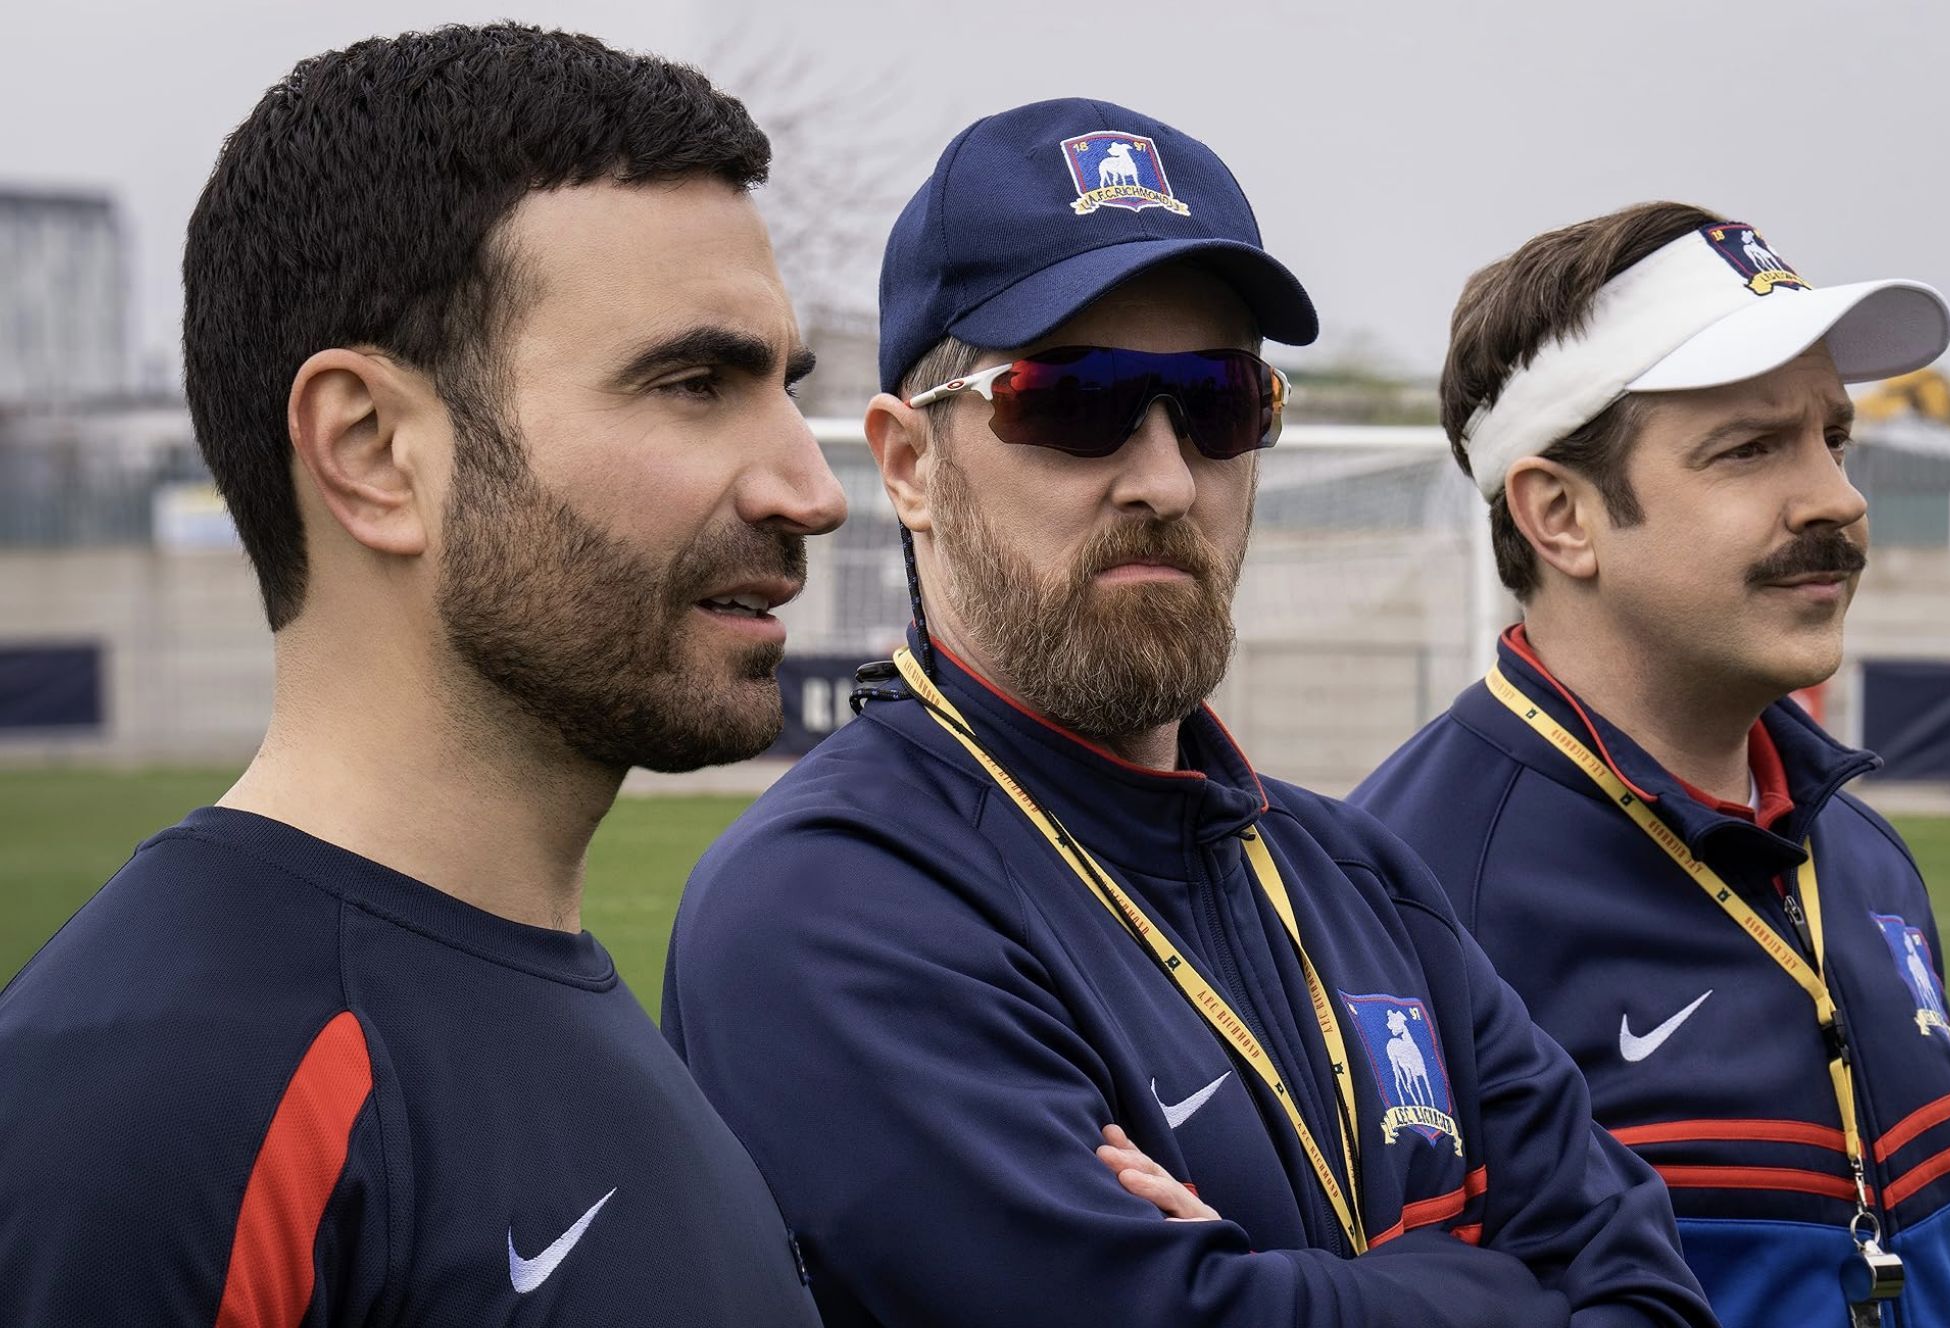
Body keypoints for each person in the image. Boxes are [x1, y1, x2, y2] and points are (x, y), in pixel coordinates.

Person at [662, 99, 1714, 1328]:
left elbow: (1653, 1293)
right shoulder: (829, 904)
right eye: (1075, 400)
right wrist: (1491, 1282)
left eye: (1218, 403)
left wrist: (1279, 1291)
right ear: (907, 464)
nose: (1164, 479)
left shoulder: (1363, 878)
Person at [0, 24, 845, 1324]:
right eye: (692, 383)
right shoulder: (157, 1110)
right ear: (374, 451)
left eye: (784, 387)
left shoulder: (557, 999)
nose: (812, 488)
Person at [1351, 203, 1950, 1328]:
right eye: (1748, 448)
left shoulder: (1864, 854)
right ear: (1561, 515)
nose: (1837, 497)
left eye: (1832, 437)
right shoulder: (1396, 899)